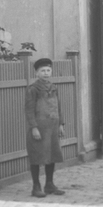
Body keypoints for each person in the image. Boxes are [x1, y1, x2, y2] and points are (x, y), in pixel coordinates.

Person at [26, 57, 67, 197]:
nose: (46, 73)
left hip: (53, 126)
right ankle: (36, 186)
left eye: (48, 70)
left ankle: (49, 184)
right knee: (36, 156)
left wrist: (61, 124)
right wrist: (34, 127)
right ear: (36, 73)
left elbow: (58, 106)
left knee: (52, 154)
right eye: (42, 71)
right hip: (40, 127)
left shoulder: (53, 87)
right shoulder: (33, 89)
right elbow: (29, 110)